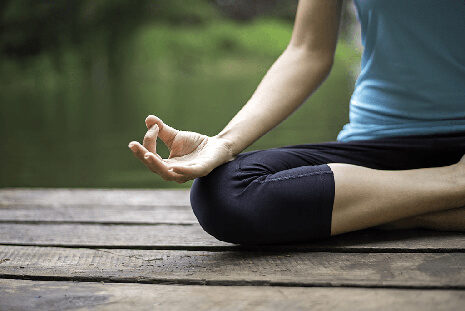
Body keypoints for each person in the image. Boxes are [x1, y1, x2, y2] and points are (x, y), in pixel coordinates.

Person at [128, 0, 465, 245]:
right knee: (224, 193)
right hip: (377, 145)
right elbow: (308, 50)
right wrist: (224, 142)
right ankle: (451, 189)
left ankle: (378, 209)